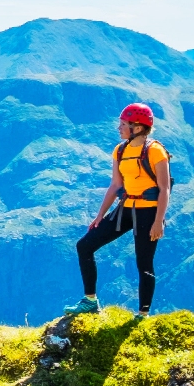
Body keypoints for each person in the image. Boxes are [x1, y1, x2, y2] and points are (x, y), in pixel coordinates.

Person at [65, 103, 171, 317]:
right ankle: (90, 302)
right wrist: (100, 216)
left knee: (144, 262)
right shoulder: (120, 150)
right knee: (84, 245)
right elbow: (115, 185)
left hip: (148, 212)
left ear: (138, 127)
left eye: (123, 124)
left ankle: (142, 315)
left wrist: (159, 221)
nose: (119, 128)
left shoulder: (155, 150)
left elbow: (164, 188)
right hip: (125, 208)